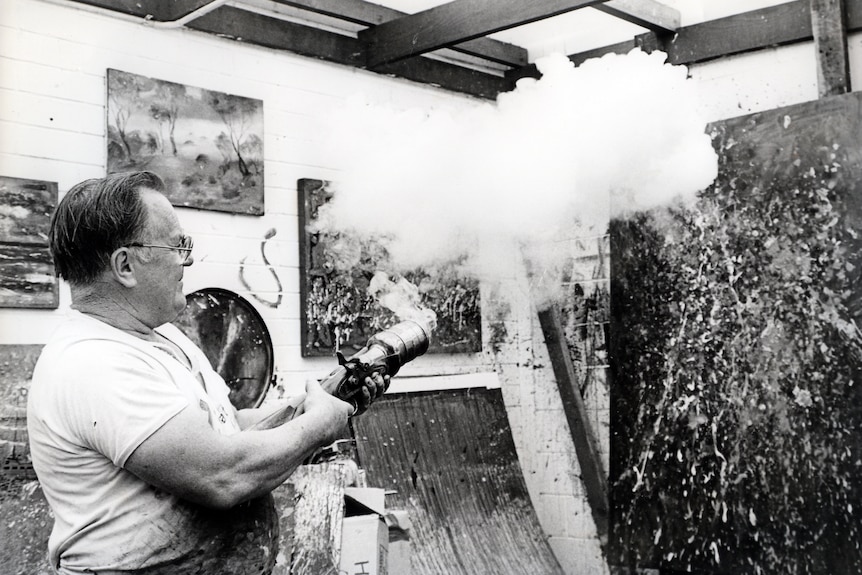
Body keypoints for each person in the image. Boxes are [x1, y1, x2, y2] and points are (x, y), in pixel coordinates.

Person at [26, 171, 389, 574]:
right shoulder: (93, 363)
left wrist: (323, 400)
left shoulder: (162, 337)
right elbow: (221, 475)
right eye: (176, 245)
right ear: (125, 265)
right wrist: (318, 427)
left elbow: (230, 426)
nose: (188, 259)